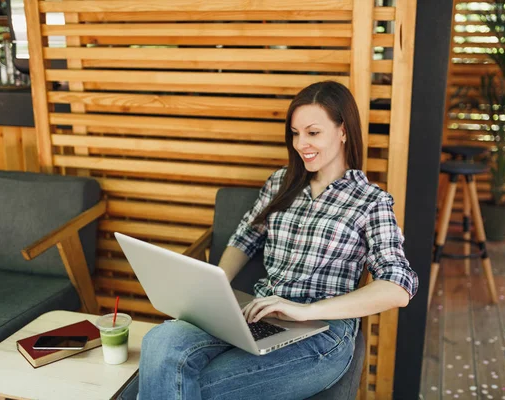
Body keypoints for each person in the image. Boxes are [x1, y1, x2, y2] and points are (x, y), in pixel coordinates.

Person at [138, 81, 419, 400]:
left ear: (343, 131)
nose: (301, 144)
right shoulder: (281, 183)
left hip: (322, 333)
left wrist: (304, 311)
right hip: (257, 313)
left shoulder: (371, 201)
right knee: (160, 341)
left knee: (192, 387)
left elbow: (398, 287)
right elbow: (245, 238)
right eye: (295, 133)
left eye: (313, 132)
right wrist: (212, 289)